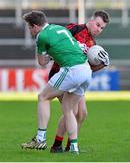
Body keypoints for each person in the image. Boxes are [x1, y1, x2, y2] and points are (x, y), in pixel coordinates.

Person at [21, 10, 94, 154]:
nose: (30, 31)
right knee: (68, 109)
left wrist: (50, 55)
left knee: (43, 97)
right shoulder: (60, 28)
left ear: (35, 26)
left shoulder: (41, 36)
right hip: (87, 70)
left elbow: (42, 62)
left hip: (72, 70)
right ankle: (73, 147)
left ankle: (40, 139)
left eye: (30, 27)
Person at [50, 10, 110, 153]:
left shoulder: (93, 45)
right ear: (91, 20)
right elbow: (56, 39)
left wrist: (102, 64)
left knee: (82, 113)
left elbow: (87, 69)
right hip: (62, 74)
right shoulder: (74, 29)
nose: (99, 29)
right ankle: (57, 146)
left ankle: (69, 145)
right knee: (72, 110)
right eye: (97, 25)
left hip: (77, 78)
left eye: (102, 28)